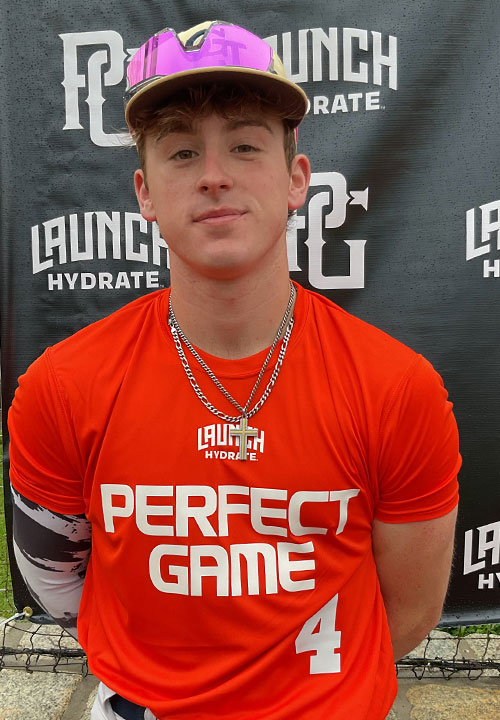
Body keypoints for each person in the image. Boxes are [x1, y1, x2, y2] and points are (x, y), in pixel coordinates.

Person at [8, 20, 460, 720]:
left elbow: (411, 609)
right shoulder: (61, 386)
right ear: (145, 193)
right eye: (182, 151)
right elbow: (54, 582)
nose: (214, 174)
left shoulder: (398, 387)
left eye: (245, 145)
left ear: (296, 179)